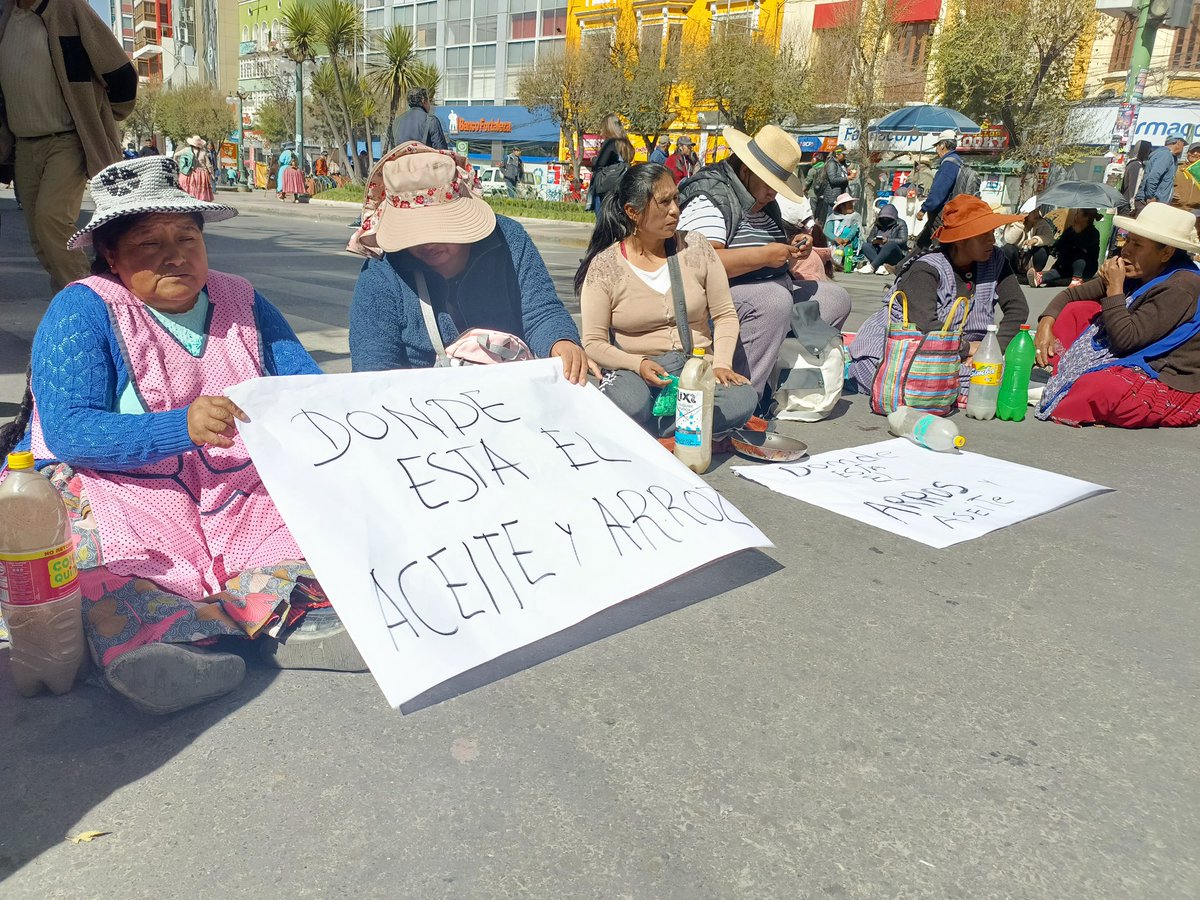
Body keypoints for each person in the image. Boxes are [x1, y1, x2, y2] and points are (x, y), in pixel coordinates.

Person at [0, 156, 363, 715]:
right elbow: (70, 429)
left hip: (230, 481)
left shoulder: (240, 299)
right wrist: (181, 425)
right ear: (112, 257)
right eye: (148, 243)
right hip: (121, 482)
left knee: (291, 524)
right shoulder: (83, 309)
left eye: (187, 237)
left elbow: (303, 389)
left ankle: (296, 622)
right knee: (119, 556)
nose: (175, 255)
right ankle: (158, 648)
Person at [348, 142, 593, 382]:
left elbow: (541, 312)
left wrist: (562, 342)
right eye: (414, 234)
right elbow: (374, 371)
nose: (427, 243)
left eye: (439, 228)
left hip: (510, 393)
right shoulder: (380, 273)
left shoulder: (510, 240)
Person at [575, 163, 756, 436]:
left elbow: (725, 315)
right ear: (632, 212)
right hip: (637, 373)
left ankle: (653, 430)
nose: (675, 210)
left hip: (694, 368)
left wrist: (720, 365)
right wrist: (638, 364)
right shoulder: (605, 267)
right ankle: (684, 423)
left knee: (743, 398)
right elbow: (593, 343)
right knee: (628, 403)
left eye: (676, 199)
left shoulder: (696, 248)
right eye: (664, 202)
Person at [678, 124, 851, 399]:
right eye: (770, 184)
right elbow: (699, 264)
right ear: (747, 171)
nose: (774, 193)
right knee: (772, 300)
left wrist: (793, 251)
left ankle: (783, 383)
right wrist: (764, 256)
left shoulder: (763, 200)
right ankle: (744, 398)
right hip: (717, 301)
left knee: (835, 298)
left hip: (768, 287)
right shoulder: (711, 196)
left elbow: (771, 248)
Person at [0, 0, 137, 291]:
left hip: (66, 138)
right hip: (23, 144)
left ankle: (95, 304)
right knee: (42, 239)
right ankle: (70, 307)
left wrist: (97, 116)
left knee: (51, 221)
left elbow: (120, 71)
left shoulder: (67, 8)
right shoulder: (6, 16)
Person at [1035, 202, 1200, 428]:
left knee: (1099, 389)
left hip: (1163, 373)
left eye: (1137, 244)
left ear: (1167, 253)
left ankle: (1071, 386)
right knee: (1076, 311)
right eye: (1128, 240)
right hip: (1125, 349)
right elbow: (1070, 297)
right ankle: (1061, 375)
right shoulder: (1138, 269)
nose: (1126, 250)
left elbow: (1125, 340)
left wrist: (1115, 288)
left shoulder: (1181, 286)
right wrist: (1046, 322)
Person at [849, 194, 1029, 401]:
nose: (992, 240)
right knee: (908, 380)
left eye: (992, 233)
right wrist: (967, 349)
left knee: (1000, 377)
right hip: (911, 348)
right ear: (960, 241)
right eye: (983, 235)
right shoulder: (925, 269)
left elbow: (1018, 309)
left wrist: (992, 350)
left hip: (964, 355)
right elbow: (926, 327)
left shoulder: (995, 260)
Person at [915, 131, 964, 249]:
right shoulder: (956, 161)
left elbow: (939, 191)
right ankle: (902, 267)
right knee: (922, 243)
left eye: (937, 146)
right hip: (945, 211)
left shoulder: (949, 163)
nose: (936, 149)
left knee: (940, 246)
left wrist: (924, 209)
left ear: (943, 145)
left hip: (941, 213)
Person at [1037, 209, 1101, 288]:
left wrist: (1077, 234)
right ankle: (1040, 278)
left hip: (1085, 267)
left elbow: (1081, 245)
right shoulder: (1070, 230)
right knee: (1056, 270)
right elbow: (1060, 246)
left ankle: (1077, 279)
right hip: (1067, 265)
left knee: (1078, 252)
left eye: (1078, 214)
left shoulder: (1093, 233)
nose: (1075, 216)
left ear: (1086, 218)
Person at [1001, 198, 1057, 284]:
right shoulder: (1015, 222)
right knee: (1008, 249)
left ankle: (1034, 274)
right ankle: (1013, 273)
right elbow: (1009, 239)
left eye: (1037, 211)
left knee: (1043, 250)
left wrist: (1035, 240)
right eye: (1033, 212)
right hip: (1018, 257)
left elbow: (1049, 237)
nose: (1036, 214)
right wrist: (1020, 224)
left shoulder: (1041, 222)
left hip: (1030, 257)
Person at [589, 113, 634, 212]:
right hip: (621, 185)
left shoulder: (610, 142)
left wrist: (593, 159)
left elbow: (600, 163)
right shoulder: (625, 143)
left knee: (604, 219)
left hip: (607, 187)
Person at [857, 202, 908, 276]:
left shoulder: (901, 223)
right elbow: (869, 238)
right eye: (883, 218)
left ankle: (872, 266)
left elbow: (903, 240)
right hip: (878, 252)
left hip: (894, 253)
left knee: (890, 244)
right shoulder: (878, 224)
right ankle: (881, 266)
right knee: (865, 245)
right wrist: (874, 241)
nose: (885, 220)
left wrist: (887, 240)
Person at [391, 86, 448, 150]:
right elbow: (441, 149)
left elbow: (393, 149)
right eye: (429, 101)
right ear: (424, 101)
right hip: (424, 159)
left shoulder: (397, 121)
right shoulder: (431, 120)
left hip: (402, 159)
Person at [1136, 136, 1186, 209]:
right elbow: (1153, 177)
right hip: (1151, 202)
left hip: (1155, 202)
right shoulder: (1165, 155)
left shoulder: (1168, 155)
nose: (1183, 147)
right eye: (1183, 144)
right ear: (1178, 143)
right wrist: (1151, 197)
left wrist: (1170, 193)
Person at [823, 193, 861, 269]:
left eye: (851, 203)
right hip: (836, 243)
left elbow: (854, 230)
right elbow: (827, 231)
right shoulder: (833, 217)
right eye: (849, 204)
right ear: (842, 206)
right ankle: (836, 262)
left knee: (848, 241)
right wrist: (836, 238)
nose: (852, 205)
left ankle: (848, 262)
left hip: (850, 242)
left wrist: (847, 239)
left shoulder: (855, 216)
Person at [175, 135, 214, 202]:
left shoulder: (187, 150)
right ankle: (197, 201)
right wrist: (212, 173)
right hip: (200, 174)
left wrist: (178, 164)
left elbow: (176, 155)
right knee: (199, 190)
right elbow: (208, 164)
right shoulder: (203, 152)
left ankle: (189, 200)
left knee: (189, 188)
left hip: (189, 172)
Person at [818, 145, 849, 225]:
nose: (845, 156)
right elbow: (833, 180)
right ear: (837, 154)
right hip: (832, 197)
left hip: (840, 196)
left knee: (838, 221)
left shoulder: (841, 164)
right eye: (843, 154)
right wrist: (847, 178)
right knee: (831, 220)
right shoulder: (832, 163)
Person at [1120, 140, 1151, 208]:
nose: (1149, 153)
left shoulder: (1131, 163)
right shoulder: (1137, 165)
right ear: (1143, 151)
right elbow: (1134, 187)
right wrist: (1133, 206)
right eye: (1148, 150)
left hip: (1125, 203)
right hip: (1129, 205)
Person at [1172, 142, 1200, 211]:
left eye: (1199, 152)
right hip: (1175, 208)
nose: (1195, 154)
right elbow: (1165, 184)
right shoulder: (1177, 167)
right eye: (1192, 151)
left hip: (1195, 210)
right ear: (1187, 153)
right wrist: (1170, 193)